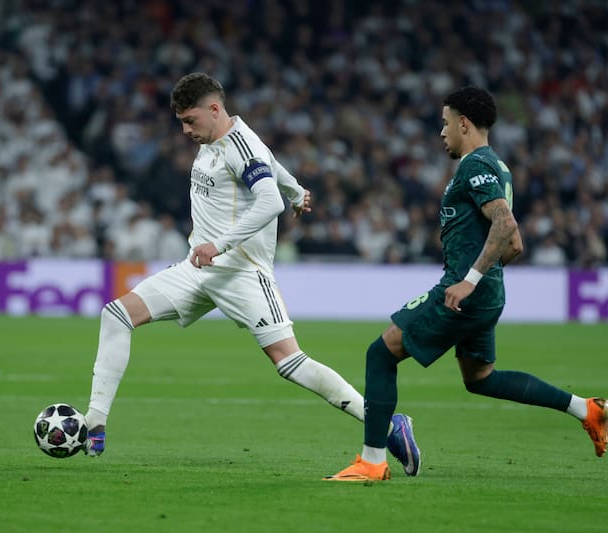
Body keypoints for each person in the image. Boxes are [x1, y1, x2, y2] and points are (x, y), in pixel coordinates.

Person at [82, 72, 418, 473]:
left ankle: (386, 423)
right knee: (116, 314)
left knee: (289, 363)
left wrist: (224, 241)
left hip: (242, 273)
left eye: (191, 121)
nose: (186, 130)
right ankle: (95, 422)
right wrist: (296, 190)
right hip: (198, 269)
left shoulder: (240, 146)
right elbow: (272, 168)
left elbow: (267, 201)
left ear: (214, 109)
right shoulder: (217, 141)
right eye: (181, 123)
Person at [324, 87, 608, 482]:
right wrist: (487, 279)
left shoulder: (474, 164)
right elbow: (514, 245)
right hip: (485, 293)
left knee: (380, 354)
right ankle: (586, 409)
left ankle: (373, 462)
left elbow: (506, 225)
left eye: (445, 123)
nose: (441, 132)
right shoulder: (500, 167)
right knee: (481, 378)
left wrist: (470, 280)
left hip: (465, 292)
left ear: (463, 123)